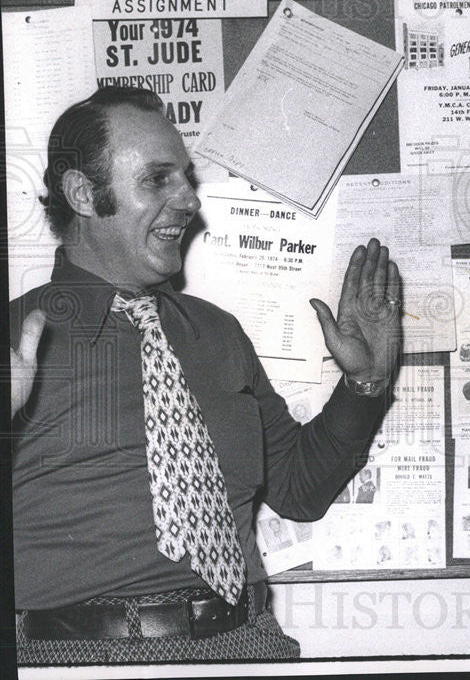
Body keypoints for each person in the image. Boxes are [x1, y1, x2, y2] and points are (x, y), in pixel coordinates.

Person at [9, 87, 403, 663]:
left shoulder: (216, 333)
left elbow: (298, 489)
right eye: (157, 179)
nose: (189, 199)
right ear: (83, 194)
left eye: (186, 177)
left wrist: (364, 387)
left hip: (248, 642)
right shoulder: (15, 336)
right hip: (79, 658)